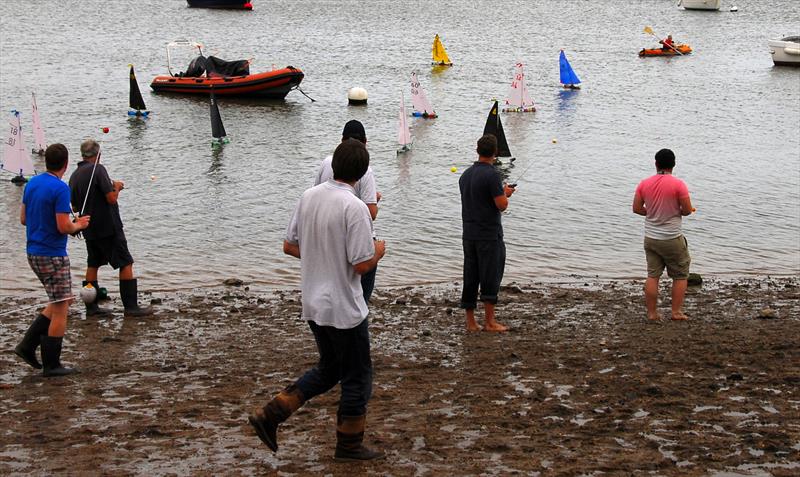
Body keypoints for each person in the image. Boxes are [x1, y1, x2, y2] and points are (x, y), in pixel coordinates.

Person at [248, 139, 386, 461]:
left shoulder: (309, 196)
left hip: (313, 301)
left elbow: (289, 245)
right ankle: (349, 446)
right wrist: (379, 251)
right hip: (344, 307)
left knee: (330, 368)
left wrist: (323, 255)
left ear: (334, 165)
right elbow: (361, 264)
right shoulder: (355, 208)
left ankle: (271, 414)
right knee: (357, 376)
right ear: (362, 174)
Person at [15, 144, 90, 377]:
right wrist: (79, 224)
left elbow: (24, 219)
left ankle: (27, 346)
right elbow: (63, 226)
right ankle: (52, 365)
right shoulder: (60, 189)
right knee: (61, 308)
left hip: (33, 252)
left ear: (46, 161)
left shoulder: (32, 183)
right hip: (52, 254)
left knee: (61, 300)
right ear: (66, 164)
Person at [68, 139, 152, 317]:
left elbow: (75, 207)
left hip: (88, 227)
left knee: (93, 264)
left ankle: (92, 307)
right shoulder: (98, 169)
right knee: (125, 262)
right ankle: (131, 307)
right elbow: (111, 199)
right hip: (109, 226)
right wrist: (117, 187)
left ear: (83, 155)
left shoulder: (74, 175)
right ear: (98, 155)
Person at [313, 119, 381, 302]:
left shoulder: (326, 162)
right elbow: (371, 213)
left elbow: (321, 195)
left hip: (327, 237)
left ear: (341, 140)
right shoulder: (366, 169)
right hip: (356, 238)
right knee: (359, 299)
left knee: (330, 294)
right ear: (365, 143)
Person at [459, 134, 515, 332]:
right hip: (489, 235)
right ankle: (490, 322)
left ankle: (471, 322)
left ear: (477, 151)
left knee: (471, 276)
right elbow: (501, 205)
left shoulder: (465, 175)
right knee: (491, 275)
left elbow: (478, 198)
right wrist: (506, 194)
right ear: (496, 153)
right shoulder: (492, 175)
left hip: (468, 234)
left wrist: (499, 192)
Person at [632, 148, 694, 321]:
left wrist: (652, 213)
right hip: (672, 238)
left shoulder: (644, 183)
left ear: (656, 163)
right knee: (680, 275)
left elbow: (637, 208)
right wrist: (679, 211)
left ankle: (652, 314)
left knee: (653, 275)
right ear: (673, 164)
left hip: (651, 238)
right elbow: (687, 210)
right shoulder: (679, 184)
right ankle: (676, 312)